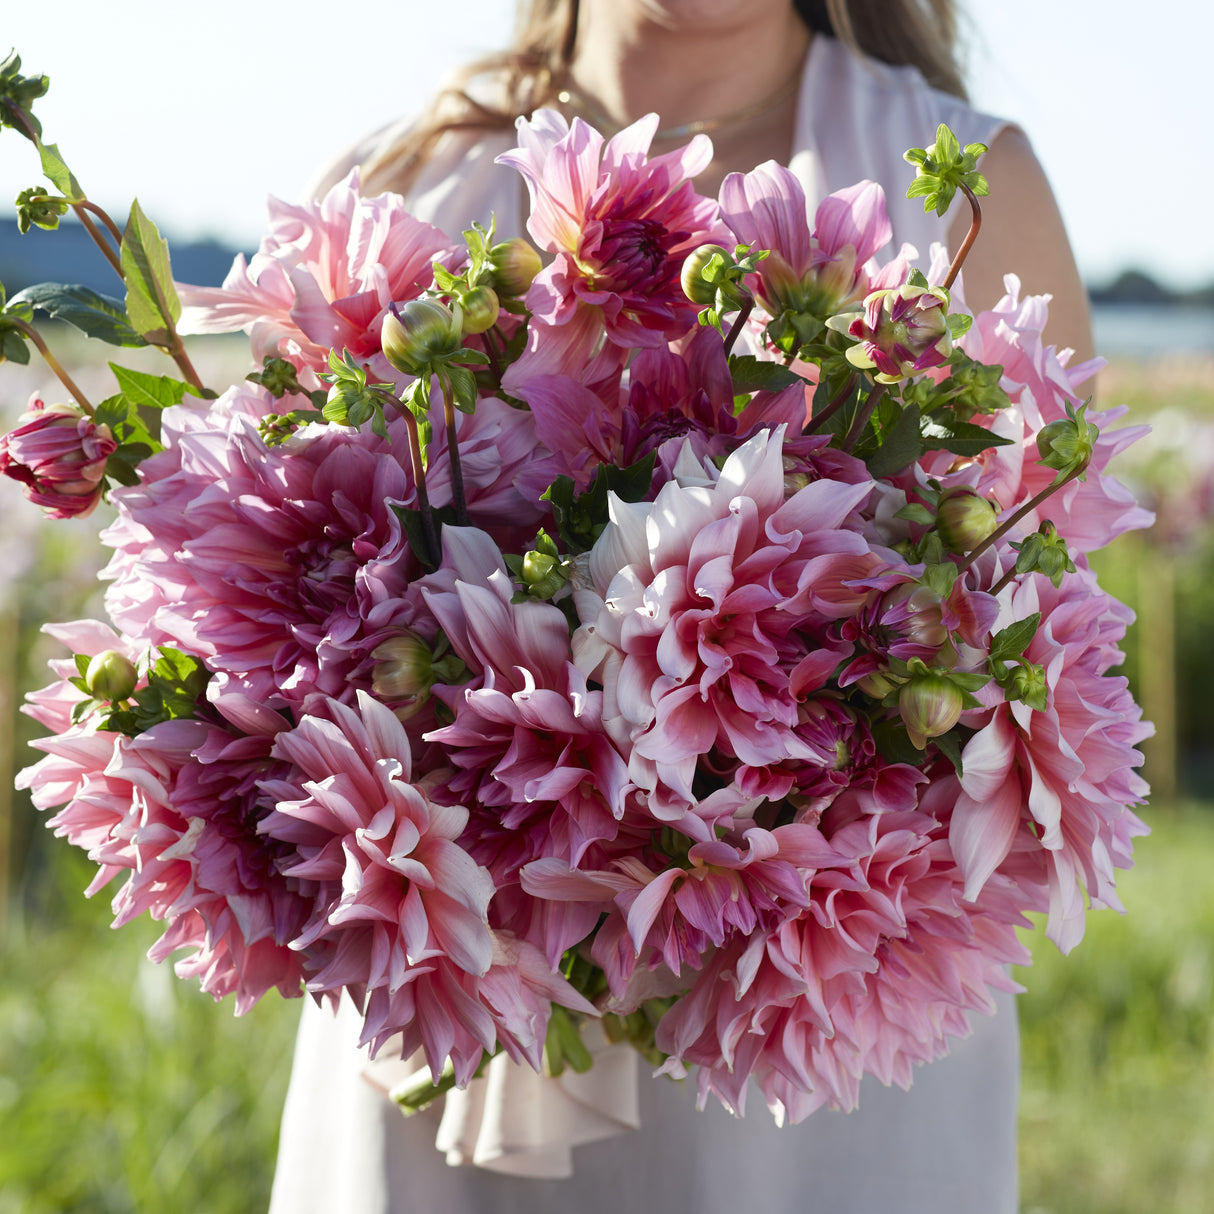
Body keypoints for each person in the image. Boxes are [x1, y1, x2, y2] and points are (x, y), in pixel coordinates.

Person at [269, 3, 1093, 1210]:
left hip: (816, 1039)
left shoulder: (971, 189)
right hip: (444, 1008)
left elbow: (1054, 652)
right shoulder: (398, 189)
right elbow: (259, 637)